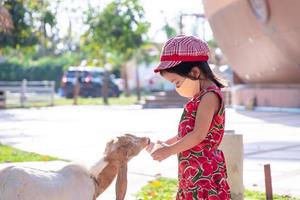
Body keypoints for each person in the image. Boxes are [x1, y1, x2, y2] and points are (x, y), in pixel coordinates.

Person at [148, 35, 231, 199]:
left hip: (203, 175)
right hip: (192, 174)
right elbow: (187, 134)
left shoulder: (209, 97)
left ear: (195, 72)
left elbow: (198, 135)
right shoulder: (198, 98)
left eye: (177, 82)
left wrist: (169, 151)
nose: (177, 88)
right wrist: (167, 143)